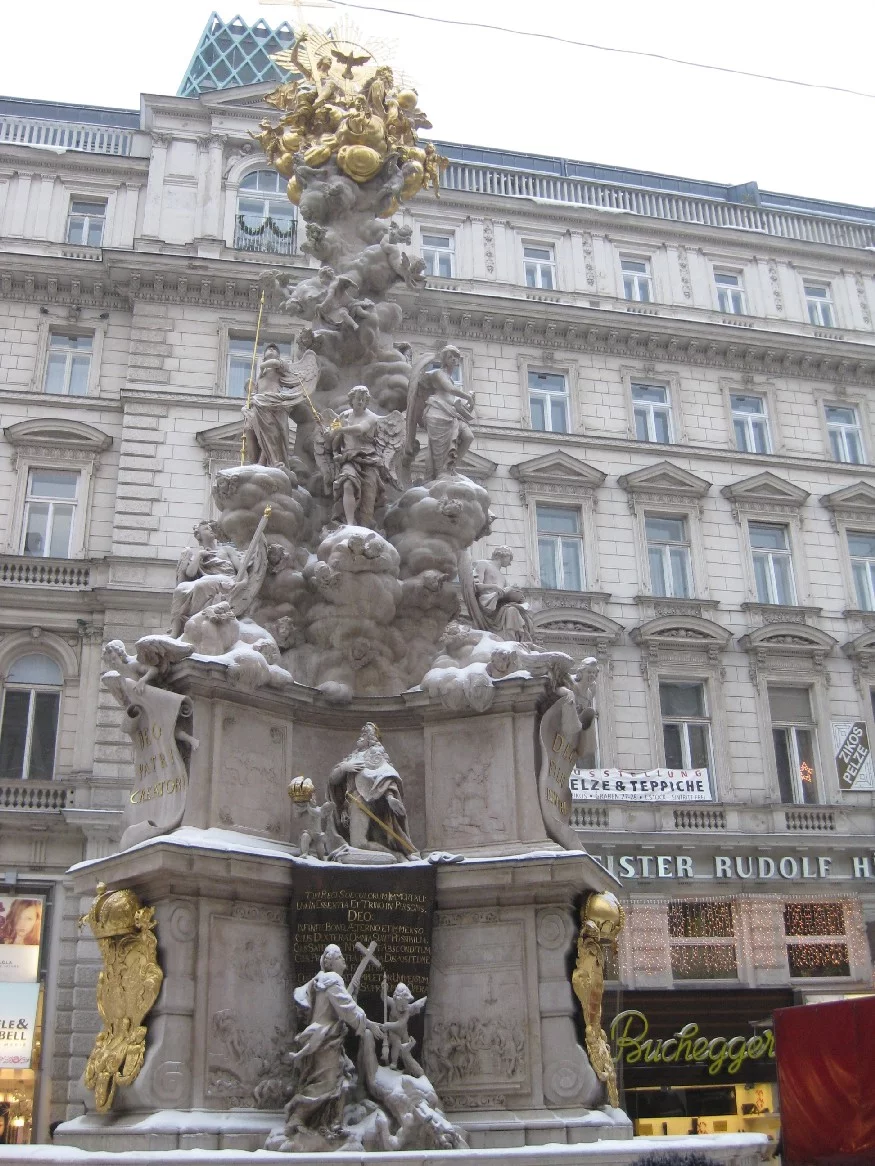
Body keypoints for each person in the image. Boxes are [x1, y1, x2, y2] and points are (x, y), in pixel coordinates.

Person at [285, 944, 384, 1134]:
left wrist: (365, 1018)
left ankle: (334, 1123)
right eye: (340, 957)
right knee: (327, 1083)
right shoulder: (331, 980)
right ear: (330, 963)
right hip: (325, 1040)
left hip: (329, 1039)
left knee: (341, 1080)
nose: (344, 960)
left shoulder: (324, 981)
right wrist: (369, 1024)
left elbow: (345, 1006)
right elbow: (348, 1010)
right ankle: (297, 1117)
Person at [328, 722, 418, 859]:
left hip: (366, 802)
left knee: (359, 843)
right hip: (351, 802)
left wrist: (390, 798)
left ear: (371, 738)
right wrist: (344, 768)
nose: (360, 736)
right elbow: (333, 780)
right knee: (361, 843)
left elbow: (386, 777)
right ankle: (396, 857)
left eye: (364, 734)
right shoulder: (352, 757)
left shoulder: (375, 756)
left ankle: (396, 856)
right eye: (361, 733)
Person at [242, 344, 319, 469]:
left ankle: (269, 461)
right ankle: (254, 462)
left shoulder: (281, 367)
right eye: (269, 349)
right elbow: (254, 394)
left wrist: (262, 366)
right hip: (259, 405)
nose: (271, 349)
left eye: (274, 349)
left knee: (271, 433)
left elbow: (274, 363)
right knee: (253, 432)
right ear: (264, 355)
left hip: (274, 404)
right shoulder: (261, 376)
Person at [405, 346, 475, 480]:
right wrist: (468, 397)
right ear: (444, 360)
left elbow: (453, 400)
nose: (453, 359)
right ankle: (441, 473)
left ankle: (451, 467)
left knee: (468, 436)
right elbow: (450, 389)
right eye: (450, 356)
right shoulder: (438, 374)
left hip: (451, 413)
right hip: (437, 411)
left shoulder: (450, 377)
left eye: (456, 357)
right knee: (439, 450)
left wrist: (468, 405)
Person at [472, 547, 534, 643]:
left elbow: (503, 594)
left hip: (498, 606)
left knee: (517, 611)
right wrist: (494, 587)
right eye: (510, 559)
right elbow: (475, 586)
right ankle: (510, 642)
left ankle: (515, 642)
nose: (510, 563)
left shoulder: (503, 578)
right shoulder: (483, 564)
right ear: (504, 555)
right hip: (487, 604)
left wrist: (515, 594)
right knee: (512, 611)